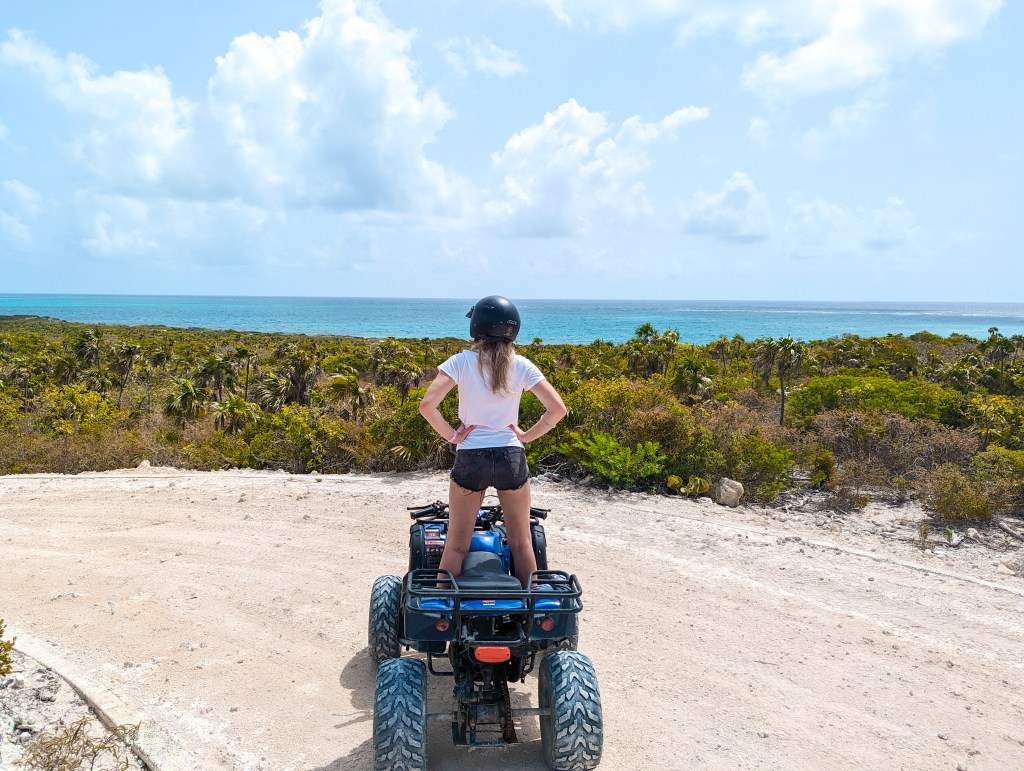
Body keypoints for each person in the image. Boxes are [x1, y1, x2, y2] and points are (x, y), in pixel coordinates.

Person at [419, 295, 567, 589]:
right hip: (511, 456)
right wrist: (525, 436)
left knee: (456, 546)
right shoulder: (523, 365)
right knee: (522, 544)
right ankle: (532, 605)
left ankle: (441, 604)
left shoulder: (460, 362)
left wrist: (453, 435)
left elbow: (427, 406)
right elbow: (557, 410)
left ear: (477, 327)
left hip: (471, 457)